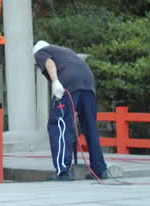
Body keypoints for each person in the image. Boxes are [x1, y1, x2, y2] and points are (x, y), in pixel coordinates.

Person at [32, 40, 109, 181]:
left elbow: (49, 63)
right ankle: (99, 169)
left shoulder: (40, 52)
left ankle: (64, 171)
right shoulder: (65, 51)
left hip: (69, 82)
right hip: (89, 82)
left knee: (58, 125)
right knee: (90, 127)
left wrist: (55, 82)